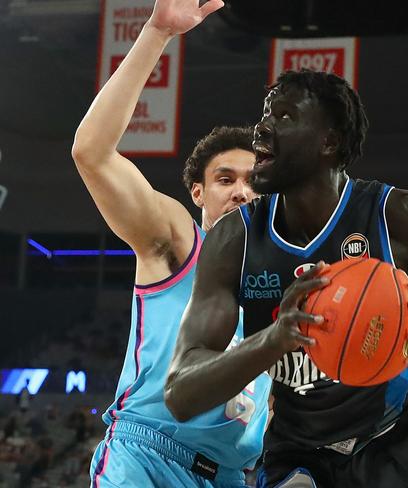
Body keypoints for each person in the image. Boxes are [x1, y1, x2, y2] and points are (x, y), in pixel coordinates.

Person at [164, 65, 408, 488]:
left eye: (284, 117)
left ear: (328, 142)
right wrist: (275, 338)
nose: (261, 129)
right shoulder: (234, 238)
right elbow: (180, 394)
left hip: (394, 443)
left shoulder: (397, 216)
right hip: (297, 451)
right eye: (266, 114)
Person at [71, 1, 271, 486]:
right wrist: (157, 33)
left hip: (231, 476)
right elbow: (91, 153)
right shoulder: (181, 242)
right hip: (147, 460)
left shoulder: (287, 284)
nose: (241, 190)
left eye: (253, 180)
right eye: (225, 179)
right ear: (199, 193)